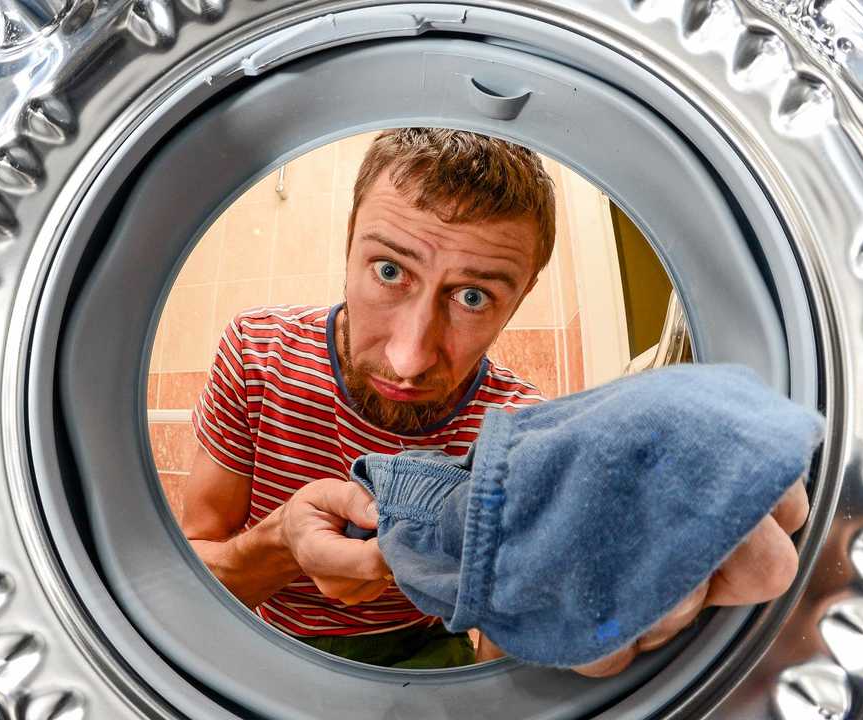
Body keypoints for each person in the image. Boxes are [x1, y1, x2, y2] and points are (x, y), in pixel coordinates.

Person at [178, 128, 809, 675]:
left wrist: (561, 640)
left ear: (523, 294)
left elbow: (498, 648)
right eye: (390, 271)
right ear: (349, 246)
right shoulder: (256, 351)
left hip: (429, 653)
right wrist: (281, 545)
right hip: (261, 638)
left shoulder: (517, 433)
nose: (410, 356)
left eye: (473, 296)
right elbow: (194, 573)